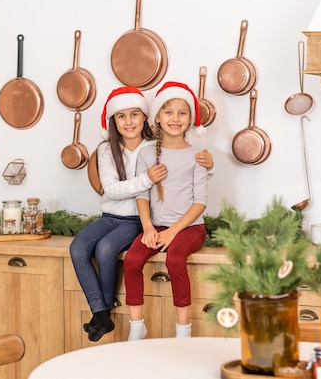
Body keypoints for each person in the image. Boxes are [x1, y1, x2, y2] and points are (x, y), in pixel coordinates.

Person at [69, 86, 213, 342]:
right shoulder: (108, 150)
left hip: (139, 219)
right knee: (78, 247)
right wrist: (146, 180)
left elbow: (186, 180)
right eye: (121, 116)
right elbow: (113, 190)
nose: (128, 121)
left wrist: (208, 166)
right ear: (113, 121)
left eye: (134, 114)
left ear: (146, 116)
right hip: (116, 217)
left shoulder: (154, 146)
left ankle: (172, 326)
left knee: (105, 250)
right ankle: (101, 312)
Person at [124, 81, 209, 341]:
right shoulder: (147, 153)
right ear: (158, 118)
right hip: (157, 227)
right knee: (131, 260)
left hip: (190, 228)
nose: (175, 118)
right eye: (169, 112)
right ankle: (137, 325)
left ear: (191, 119)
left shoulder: (198, 155)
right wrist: (148, 228)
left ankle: (183, 330)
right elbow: (142, 194)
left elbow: (200, 202)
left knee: (174, 259)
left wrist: (173, 231)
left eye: (182, 113)